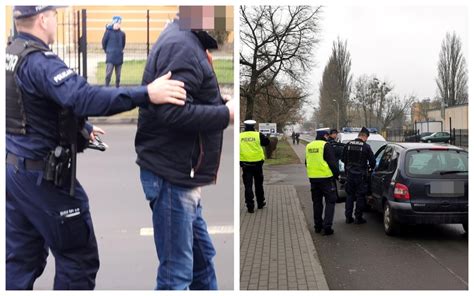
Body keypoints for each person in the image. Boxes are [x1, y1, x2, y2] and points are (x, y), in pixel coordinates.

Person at [6, 6, 186, 290]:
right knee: (78, 260)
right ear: (43, 18)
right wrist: (147, 93)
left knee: (20, 262)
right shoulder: (41, 61)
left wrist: (82, 129)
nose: (55, 20)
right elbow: (84, 98)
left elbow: (30, 107)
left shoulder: (11, 54)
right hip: (45, 181)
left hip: (16, 175)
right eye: (54, 14)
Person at [135, 9, 234, 290]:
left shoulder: (187, 41)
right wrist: (226, 114)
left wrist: (217, 102)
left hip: (180, 176)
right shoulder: (181, 46)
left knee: (202, 264)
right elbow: (173, 114)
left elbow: (187, 98)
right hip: (173, 178)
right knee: (175, 277)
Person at [305, 129, 339, 235]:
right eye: (327, 136)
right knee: (330, 201)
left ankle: (317, 226)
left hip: (313, 179)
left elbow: (306, 162)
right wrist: (336, 175)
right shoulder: (325, 145)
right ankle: (327, 227)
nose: (328, 137)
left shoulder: (309, 146)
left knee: (317, 203)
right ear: (324, 136)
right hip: (326, 179)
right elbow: (332, 163)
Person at [341, 127, 376, 224]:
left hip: (349, 175)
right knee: (360, 196)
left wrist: (349, 166)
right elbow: (372, 162)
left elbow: (343, 159)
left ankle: (348, 217)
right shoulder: (366, 147)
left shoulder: (348, 145)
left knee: (349, 196)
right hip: (361, 176)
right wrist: (369, 167)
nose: (366, 140)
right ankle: (358, 218)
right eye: (367, 138)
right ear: (364, 136)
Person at [240, 119, 270, 213]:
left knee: (248, 186)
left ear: (245, 126)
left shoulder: (239, 136)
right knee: (258, 185)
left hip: (245, 165)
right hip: (257, 164)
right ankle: (260, 203)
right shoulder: (258, 135)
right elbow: (267, 142)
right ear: (253, 126)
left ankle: (250, 206)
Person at [102, 15, 125, 87]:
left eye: (119, 23)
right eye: (117, 23)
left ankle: (117, 88)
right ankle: (106, 87)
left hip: (119, 56)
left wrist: (120, 50)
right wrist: (107, 51)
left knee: (118, 75)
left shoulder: (122, 34)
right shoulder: (108, 32)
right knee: (108, 74)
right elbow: (103, 42)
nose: (118, 25)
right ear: (113, 23)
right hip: (110, 56)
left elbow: (123, 44)